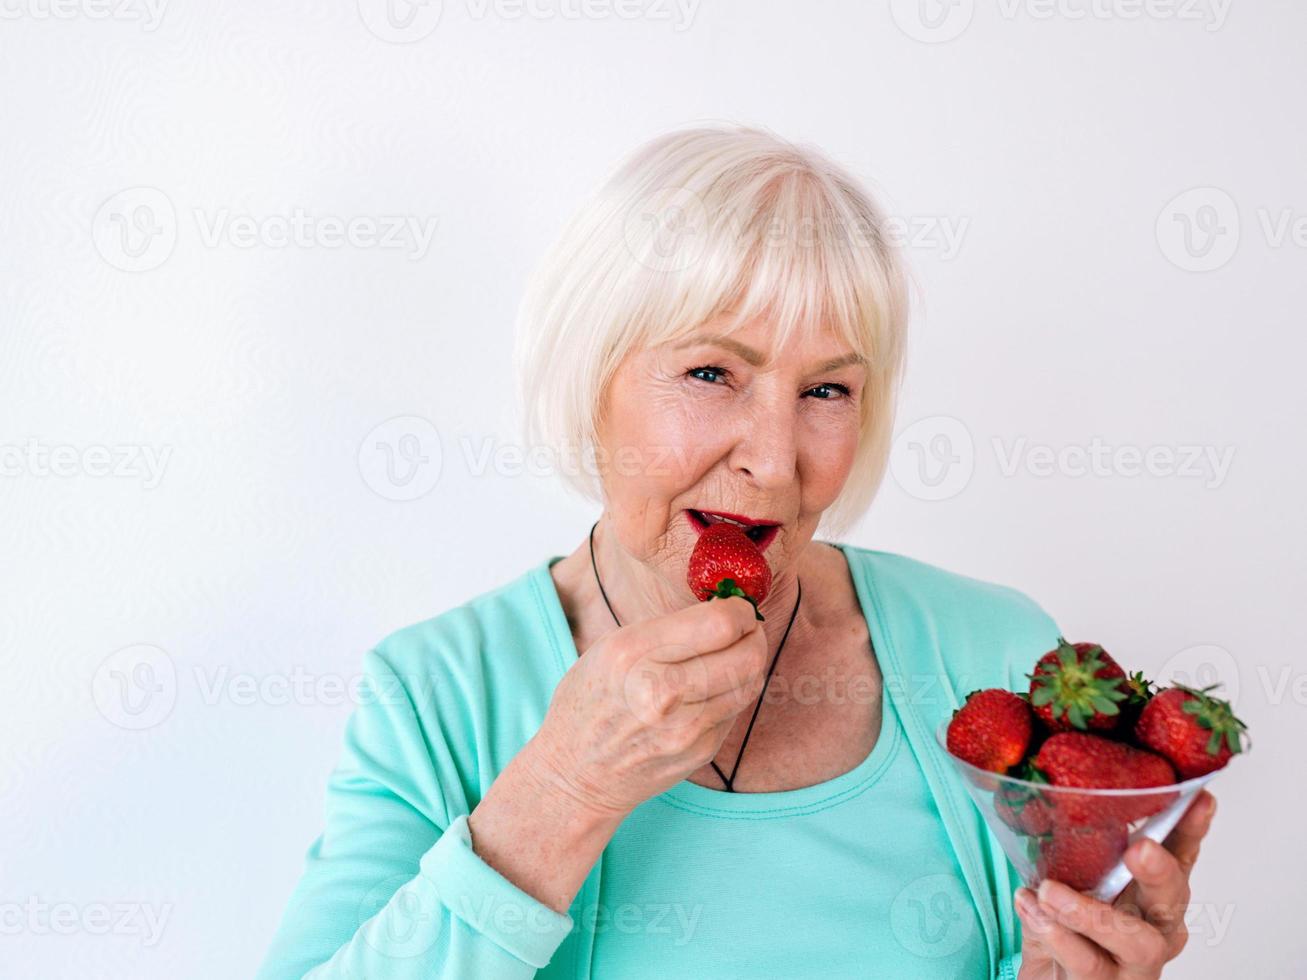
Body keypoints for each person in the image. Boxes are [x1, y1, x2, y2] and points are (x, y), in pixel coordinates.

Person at [256, 124, 1214, 979]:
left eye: (826, 391)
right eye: (711, 372)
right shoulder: (435, 692)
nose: (770, 459)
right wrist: (562, 792)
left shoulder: (989, 649)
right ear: (588, 380)